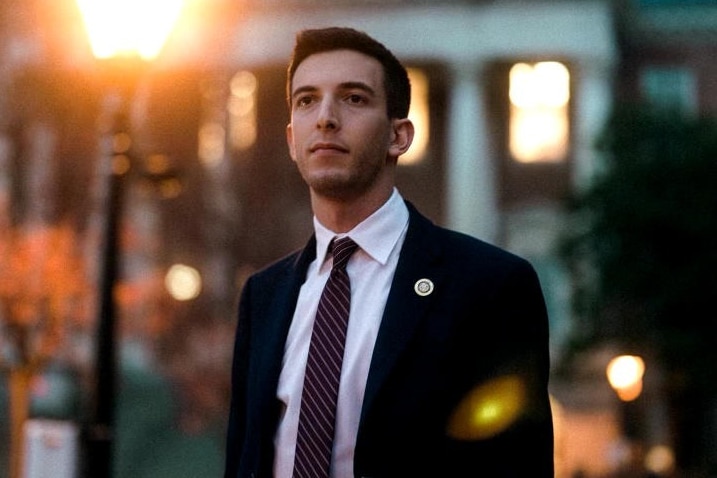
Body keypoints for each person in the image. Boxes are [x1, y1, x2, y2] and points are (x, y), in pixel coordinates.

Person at [224, 26, 554, 478]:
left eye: (353, 98)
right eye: (306, 100)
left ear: (399, 137)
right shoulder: (263, 296)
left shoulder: (488, 286)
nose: (325, 117)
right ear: (291, 141)